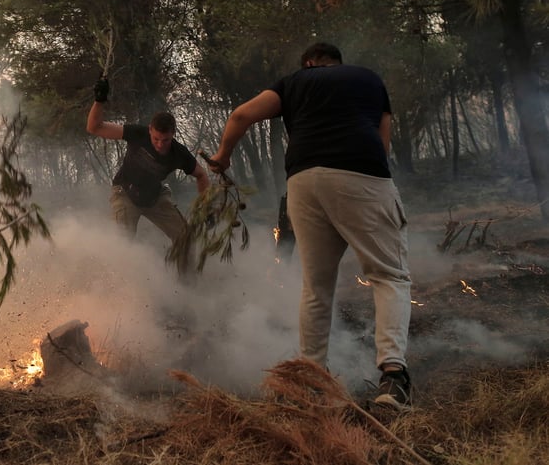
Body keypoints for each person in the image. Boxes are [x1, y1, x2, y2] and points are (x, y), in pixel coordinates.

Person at [208, 43, 412, 409]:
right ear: (338, 63)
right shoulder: (369, 80)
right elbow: (383, 140)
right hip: (361, 175)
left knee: (316, 287)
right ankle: (394, 379)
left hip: (303, 181)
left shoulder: (293, 83)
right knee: (389, 276)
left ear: (308, 63)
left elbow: (240, 117)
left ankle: (314, 381)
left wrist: (223, 156)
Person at [86, 75, 210, 277]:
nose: (160, 144)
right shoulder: (138, 134)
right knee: (122, 244)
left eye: (166, 139)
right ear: (150, 131)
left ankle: (188, 291)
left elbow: (202, 175)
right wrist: (99, 101)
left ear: (173, 134)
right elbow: (94, 127)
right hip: (125, 193)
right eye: (156, 139)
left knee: (185, 238)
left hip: (155, 197)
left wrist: (206, 208)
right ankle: (118, 290)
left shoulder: (179, 153)